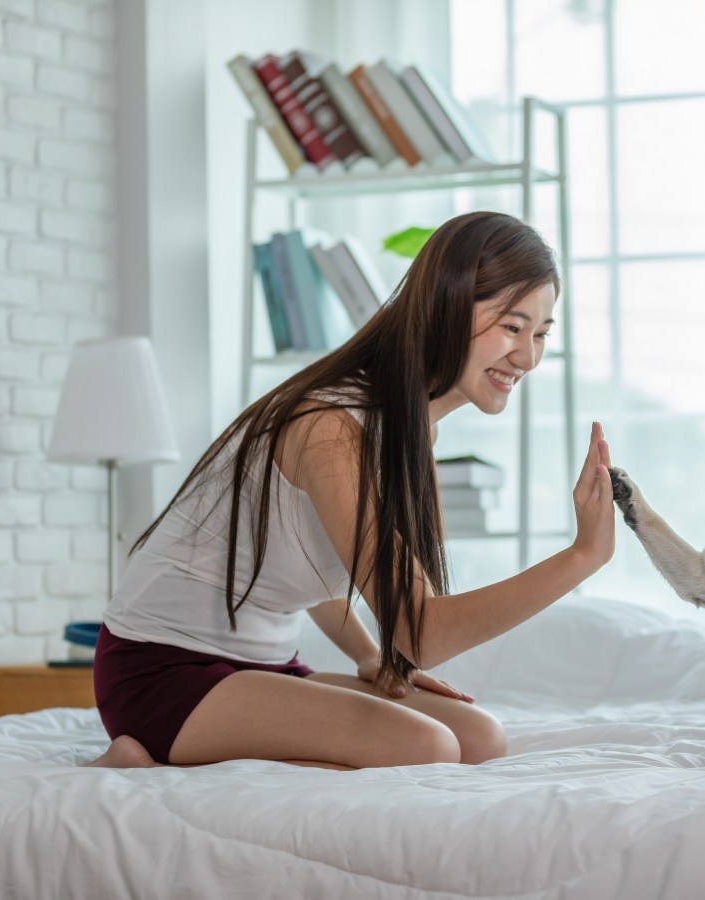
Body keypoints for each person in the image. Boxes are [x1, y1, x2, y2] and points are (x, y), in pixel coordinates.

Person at [89, 211, 615, 770]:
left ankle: (189, 756)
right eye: (512, 327)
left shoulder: (409, 429)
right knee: (426, 747)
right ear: (445, 308)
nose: (528, 357)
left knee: (481, 738)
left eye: (540, 334)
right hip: (162, 669)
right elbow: (421, 633)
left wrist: (372, 658)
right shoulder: (331, 425)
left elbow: (298, 555)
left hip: (262, 668)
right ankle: (140, 761)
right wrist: (582, 557)